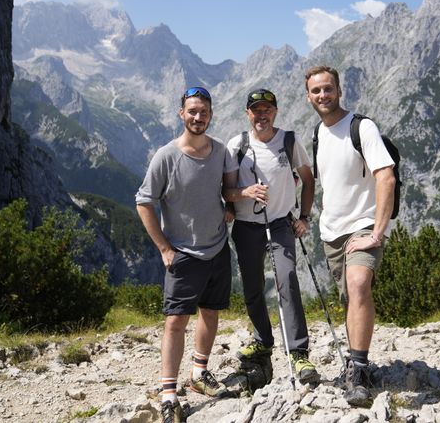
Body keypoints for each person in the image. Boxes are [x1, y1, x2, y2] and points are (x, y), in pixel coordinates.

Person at [135, 86, 231, 423]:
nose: (198, 117)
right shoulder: (166, 156)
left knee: (211, 312)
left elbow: (226, 188)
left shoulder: (220, 151)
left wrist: (231, 205)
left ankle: (200, 374)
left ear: (210, 115)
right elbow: (143, 201)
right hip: (183, 253)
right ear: (182, 114)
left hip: (218, 247)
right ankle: (168, 393)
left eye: (203, 112)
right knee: (175, 322)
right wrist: (163, 246)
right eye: (192, 111)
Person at [304, 66, 397, 407]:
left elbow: (385, 176)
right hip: (332, 232)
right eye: (316, 91)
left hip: (363, 226)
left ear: (339, 90)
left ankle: (357, 369)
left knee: (358, 284)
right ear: (309, 96)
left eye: (328, 89)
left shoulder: (362, 127)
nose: (323, 96)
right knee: (349, 299)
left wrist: (377, 231)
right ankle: (358, 363)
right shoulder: (318, 132)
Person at [222, 88, 319, 386]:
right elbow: (226, 192)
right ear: (248, 114)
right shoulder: (237, 144)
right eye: (256, 110)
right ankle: (263, 339)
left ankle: (299, 352)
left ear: (275, 111)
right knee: (252, 287)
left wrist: (304, 217)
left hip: (279, 224)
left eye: (267, 109)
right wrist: (245, 193)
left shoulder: (288, 141)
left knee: (287, 279)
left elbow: (308, 178)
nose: (261, 114)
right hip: (246, 226)